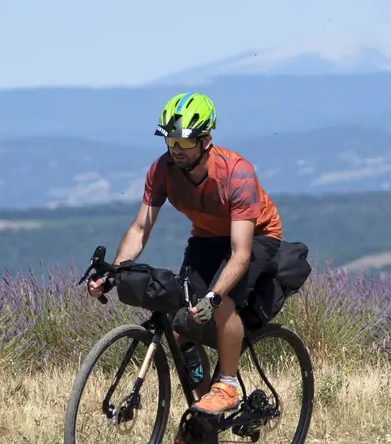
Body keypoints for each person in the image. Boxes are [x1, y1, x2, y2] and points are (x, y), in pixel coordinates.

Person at [86, 92, 282, 421]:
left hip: (256, 235)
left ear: (206, 141)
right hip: (206, 237)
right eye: (170, 140)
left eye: (184, 143)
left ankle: (228, 386)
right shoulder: (162, 170)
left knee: (223, 303)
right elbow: (140, 227)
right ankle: (206, 414)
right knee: (180, 330)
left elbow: (240, 253)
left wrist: (214, 296)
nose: (176, 149)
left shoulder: (237, 174)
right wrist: (114, 272)